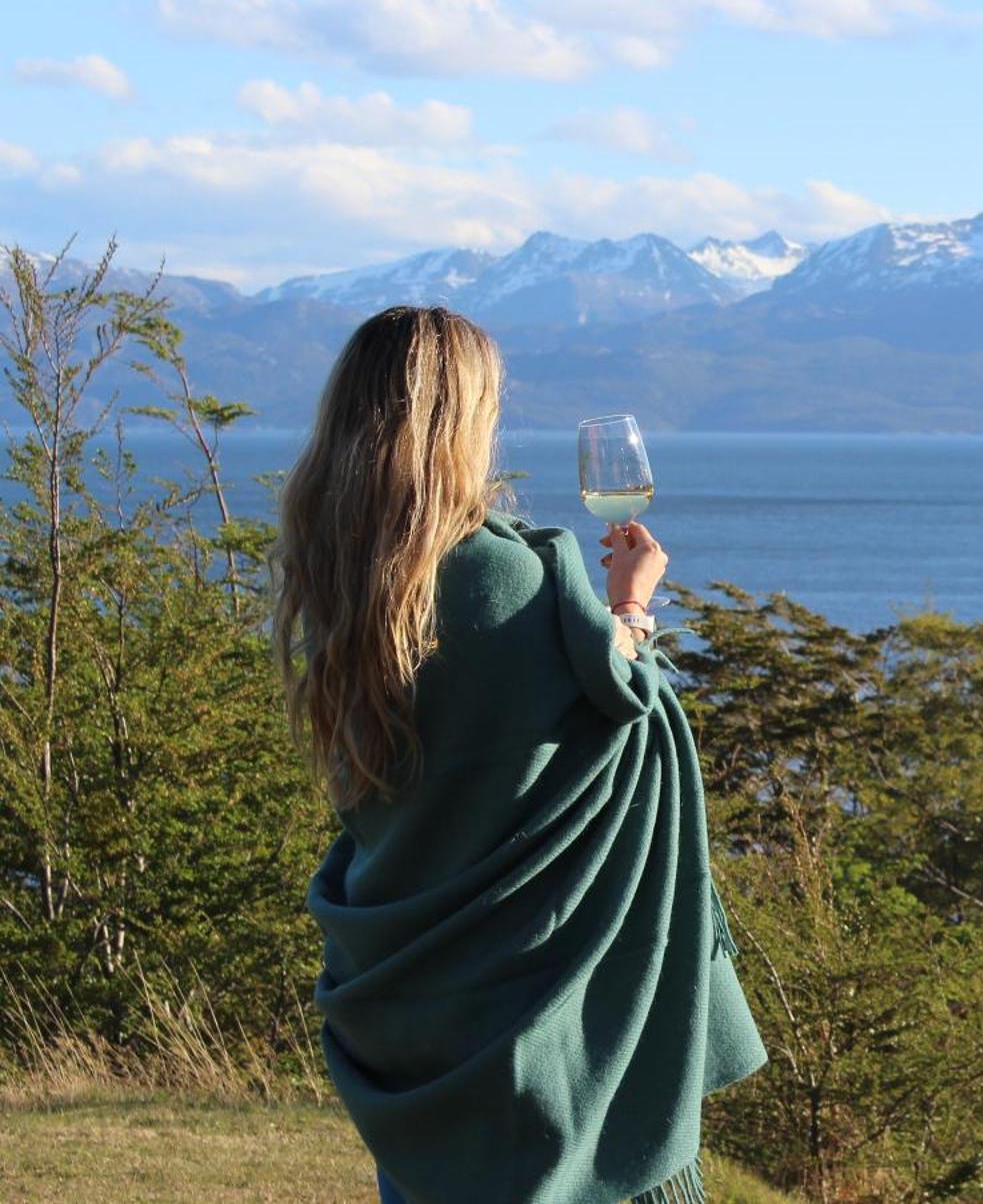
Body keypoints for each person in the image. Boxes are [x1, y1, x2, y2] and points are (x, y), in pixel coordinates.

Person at [274, 306, 766, 1204]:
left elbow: (479, 763)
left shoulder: (343, 579)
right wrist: (630, 608)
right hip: (546, 1009)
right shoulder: (506, 576)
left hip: (424, 1005)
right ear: (460, 421)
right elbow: (622, 714)